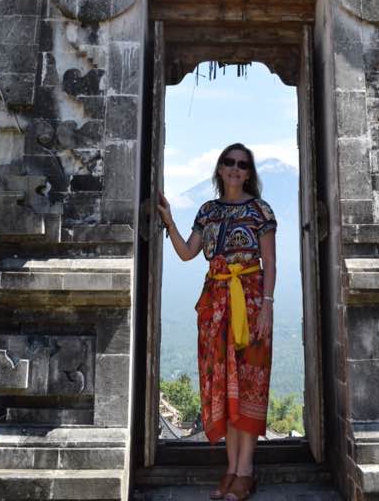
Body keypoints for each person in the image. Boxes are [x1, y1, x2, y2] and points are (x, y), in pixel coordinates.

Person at [157, 143, 277, 501]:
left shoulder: (260, 211)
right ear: (220, 169)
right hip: (216, 304)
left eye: (242, 164)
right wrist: (169, 220)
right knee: (224, 385)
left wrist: (268, 306)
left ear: (249, 172)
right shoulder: (208, 211)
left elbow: (270, 263)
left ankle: (246, 471)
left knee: (250, 383)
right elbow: (187, 253)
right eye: (229, 162)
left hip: (252, 302)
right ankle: (230, 470)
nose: (235, 169)